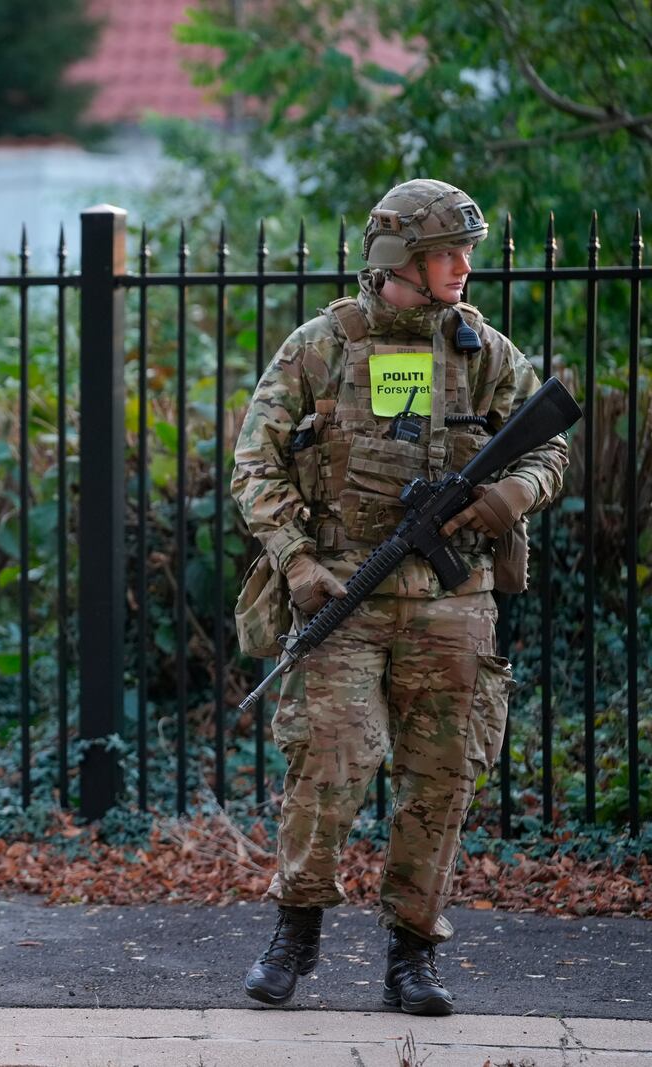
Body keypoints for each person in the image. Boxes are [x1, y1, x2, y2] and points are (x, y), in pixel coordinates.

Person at [231, 179, 568, 1015]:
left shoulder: (481, 351)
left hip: (454, 606)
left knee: (443, 777)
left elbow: (549, 445)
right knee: (330, 762)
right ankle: (295, 932)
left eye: (464, 252)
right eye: (446, 253)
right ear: (398, 262)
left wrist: (506, 499)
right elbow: (255, 465)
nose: (463, 267)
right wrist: (299, 562)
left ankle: (412, 957)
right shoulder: (322, 347)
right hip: (346, 589)